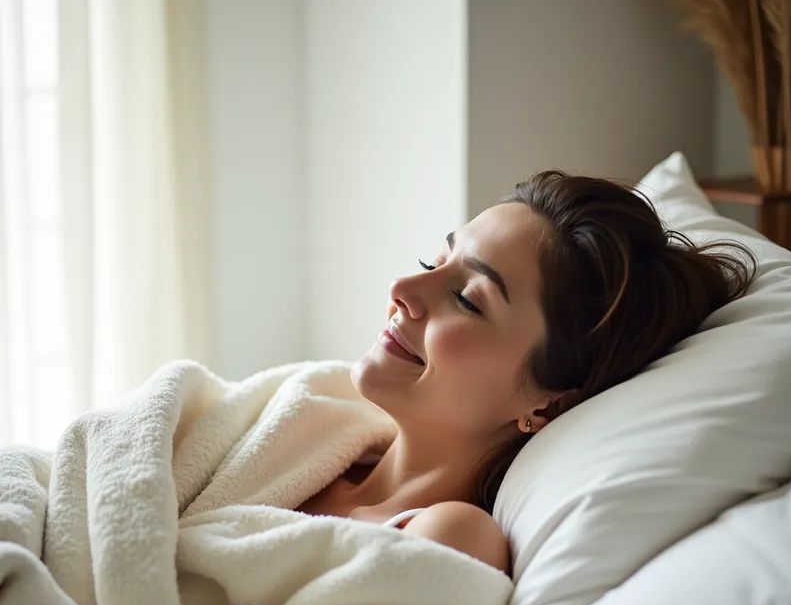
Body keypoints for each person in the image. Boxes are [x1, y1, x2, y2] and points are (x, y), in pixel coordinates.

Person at [298, 170, 757, 576]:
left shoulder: (449, 536)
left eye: (467, 299)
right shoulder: (305, 438)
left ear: (550, 403)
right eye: (433, 263)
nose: (402, 289)